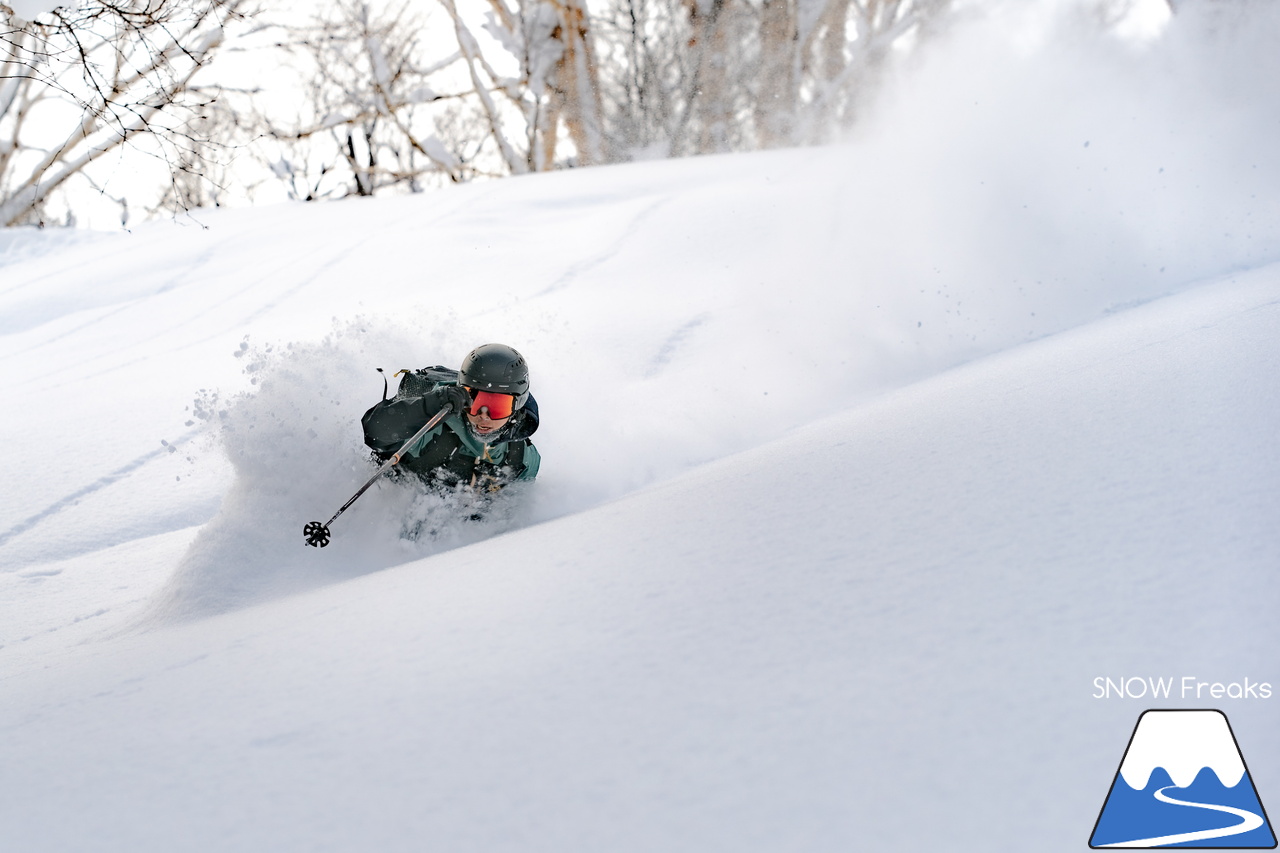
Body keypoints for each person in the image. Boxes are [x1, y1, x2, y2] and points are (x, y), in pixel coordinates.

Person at [361, 343, 540, 493]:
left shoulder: (520, 457)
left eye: (498, 406)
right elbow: (375, 432)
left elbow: (516, 508)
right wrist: (431, 405)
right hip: (388, 511)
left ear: (518, 404)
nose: (483, 416)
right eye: (475, 402)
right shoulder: (434, 422)